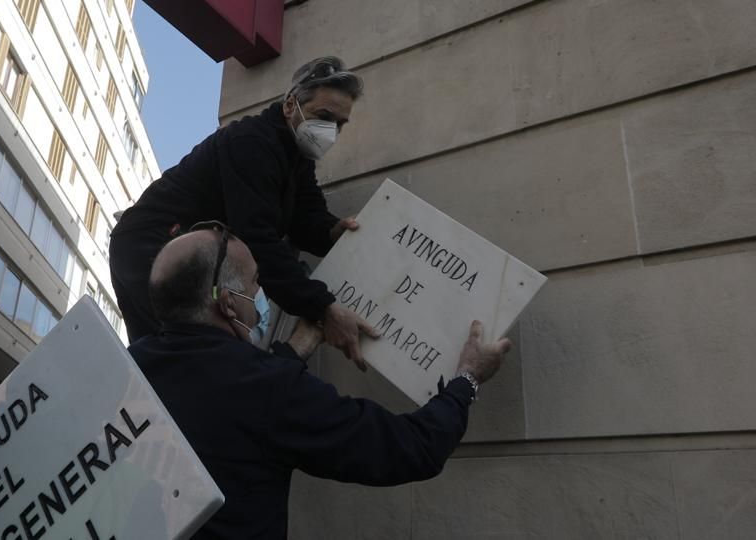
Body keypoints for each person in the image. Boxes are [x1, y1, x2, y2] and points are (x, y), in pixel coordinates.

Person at [129, 223, 511, 539]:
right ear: (228, 304)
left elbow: (229, 396)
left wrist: (300, 344)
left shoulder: (128, 369)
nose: (261, 295)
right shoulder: (268, 389)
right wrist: (467, 379)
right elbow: (408, 448)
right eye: (255, 282)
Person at [111, 56, 377, 368]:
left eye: (339, 124)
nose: (330, 131)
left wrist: (333, 232)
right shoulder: (251, 142)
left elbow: (307, 219)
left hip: (195, 257)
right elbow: (257, 242)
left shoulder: (297, 157)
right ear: (291, 105)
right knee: (182, 361)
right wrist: (323, 308)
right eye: (324, 116)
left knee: (199, 361)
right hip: (152, 248)